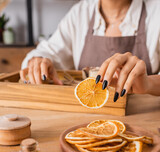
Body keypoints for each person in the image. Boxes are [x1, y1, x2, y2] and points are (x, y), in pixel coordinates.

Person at [21, 0, 160, 99]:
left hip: (143, 119)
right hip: (84, 119)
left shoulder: (156, 11)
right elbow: (47, 52)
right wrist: (38, 62)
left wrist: (148, 84)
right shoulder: (79, 13)